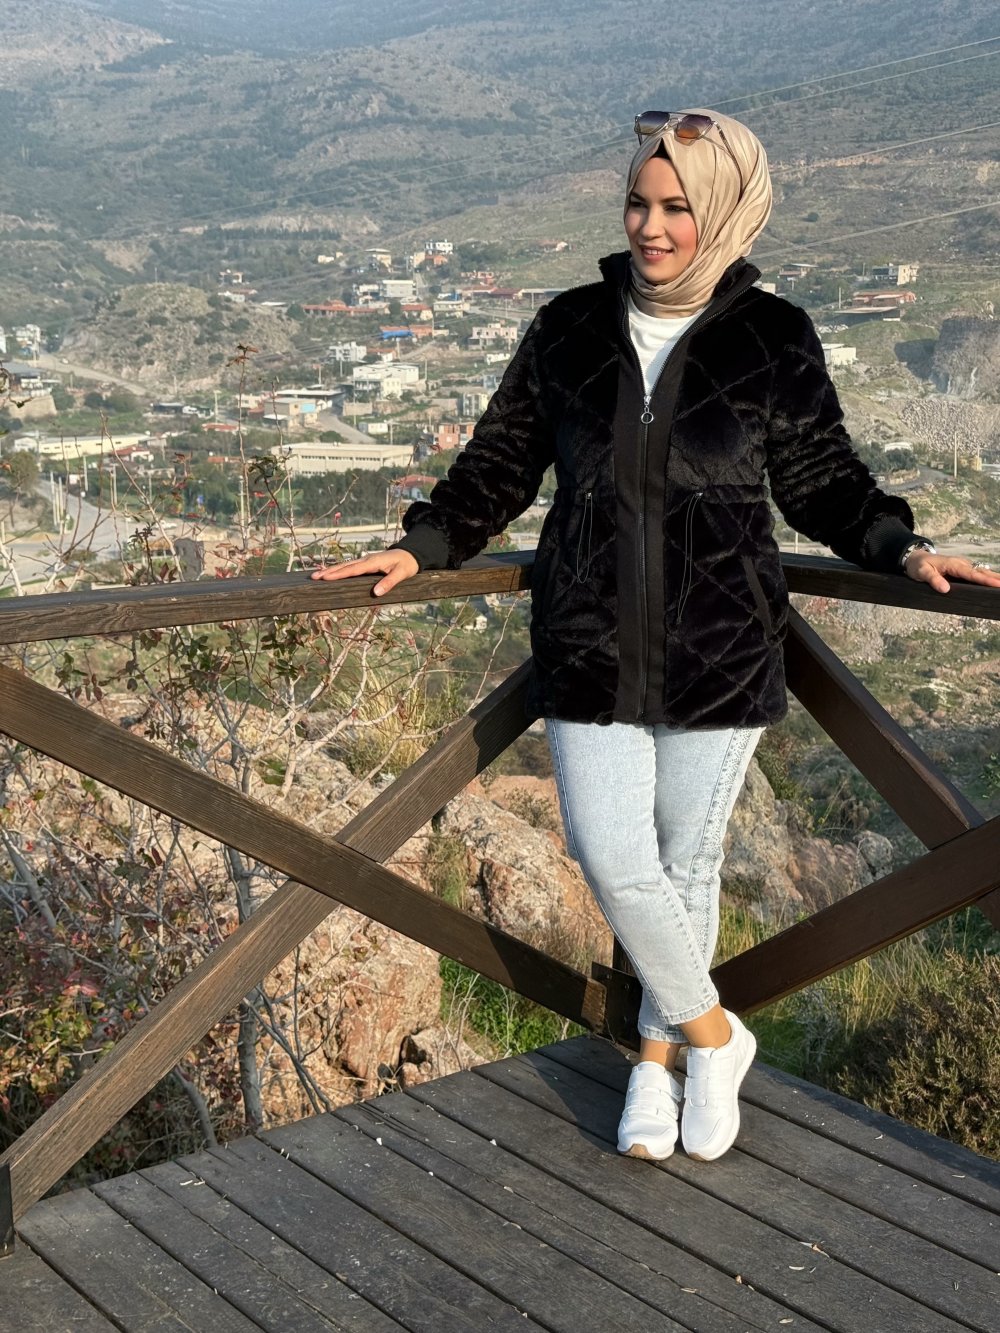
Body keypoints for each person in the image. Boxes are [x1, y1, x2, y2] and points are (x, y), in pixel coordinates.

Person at [312, 109, 1000, 1163]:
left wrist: (901, 549)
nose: (650, 225)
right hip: (588, 641)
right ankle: (717, 1036)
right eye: (638, 202)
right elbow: (500, 460)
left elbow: (821, 478)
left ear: (724, 211)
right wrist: (427, 543)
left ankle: (654, 1061)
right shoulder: (568, 327)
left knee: (687, 860)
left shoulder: (773, 336)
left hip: (723, 649)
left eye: (678, 206)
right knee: (610, 852)